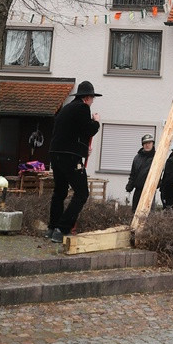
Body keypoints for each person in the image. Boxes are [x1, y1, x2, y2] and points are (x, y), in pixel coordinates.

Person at [47, 80, 101, 242]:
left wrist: (83, 150)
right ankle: (62, 229)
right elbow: (88, 129)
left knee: (60, 191)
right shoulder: (82, 108)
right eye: (92, 99)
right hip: (69, 157)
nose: (92, 102)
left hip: (55, 154)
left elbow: (73, 133)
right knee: (82, 193)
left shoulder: (66, 109)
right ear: (87, 98)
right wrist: (96, 121)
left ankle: (52, 228)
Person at [125, 134, 156, 212]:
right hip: (138, 190)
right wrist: (128, 190)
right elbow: (133, 175)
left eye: (149, 143)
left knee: (148, 214)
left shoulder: (157, 157)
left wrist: (156, 185)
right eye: (145, 143)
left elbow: (159, 175)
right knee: (135, 212)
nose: (147, 145)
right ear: (142, 145)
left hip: (150, 191)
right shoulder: (137, 158)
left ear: (153, 144)